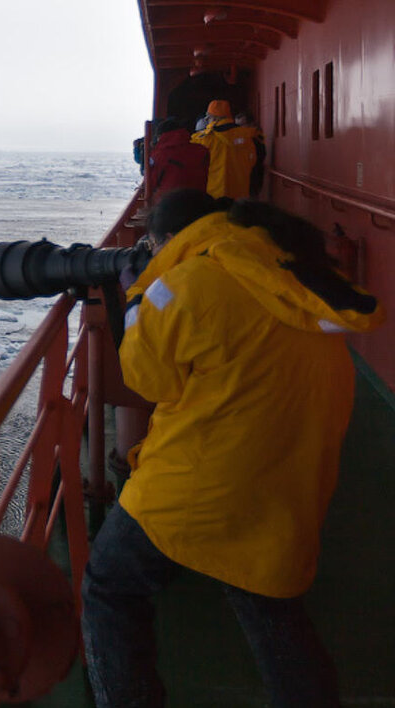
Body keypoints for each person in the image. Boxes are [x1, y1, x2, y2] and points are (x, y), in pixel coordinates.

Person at [82, 189, 385, 708]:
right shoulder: (286, 266)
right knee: (270, 610)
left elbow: (147, 379)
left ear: (170, 239)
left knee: (109, 588)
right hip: (292, 474)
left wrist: (136, 299)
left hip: (207, 482)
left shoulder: (181, 285)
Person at [190, 100, 262, 199]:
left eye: (208, 117)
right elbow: (253, 161)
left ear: (213, 118)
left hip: (212, 194)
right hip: (240, 194)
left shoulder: (203, 138)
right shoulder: (248, 136)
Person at [148, 117, 210, 202]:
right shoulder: (202, 150)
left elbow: (151, 183)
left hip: (169, 205)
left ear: (161, 136)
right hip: (198, 202)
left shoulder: (159, 154)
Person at [235, 111, 268, 197]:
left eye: (242, 124)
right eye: (237, 125)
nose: (238, 128)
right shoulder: (245, 138)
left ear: (251, 124)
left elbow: (260, 156)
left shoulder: (256, 138)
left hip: (252, 177)